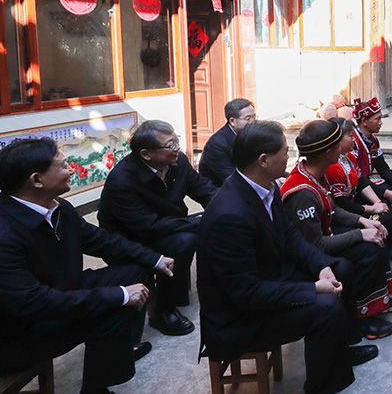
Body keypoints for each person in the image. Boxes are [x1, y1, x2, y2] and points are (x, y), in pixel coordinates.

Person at [197, 120, 378, 394]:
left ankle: (340, 350)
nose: (290, 156)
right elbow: (247, 293)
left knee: (340, 267)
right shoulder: (229, 215)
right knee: (326, 306)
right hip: (240, 317)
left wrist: (322, 267)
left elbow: (291, 237)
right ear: (263, 160)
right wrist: (313, 288)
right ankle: (322, 386)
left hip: (268, 279)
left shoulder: (264, 187)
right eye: (284, 151)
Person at [0, 137, 175, 394]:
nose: (71, 169)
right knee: (114, 309)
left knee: (136, 270)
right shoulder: (5, 232)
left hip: (59, 290)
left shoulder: (58, 207)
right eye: (63, 165)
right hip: (19, 331)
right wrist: (120, 295)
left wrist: (155, 259)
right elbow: (33, 302)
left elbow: (102, 241)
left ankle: (120, 348)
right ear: (37, 180)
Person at [99, 119, 217, 336]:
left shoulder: (178, 161)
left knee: (213, 223)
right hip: (131, 239)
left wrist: (224, 205)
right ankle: (161, 310)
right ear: (146, 154)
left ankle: (191, 286)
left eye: (176, 141)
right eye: (170, 145)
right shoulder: (122, 180)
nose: (177, 148)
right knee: (186, 239)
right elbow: (147, 227)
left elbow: (203, 189)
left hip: (167, 225)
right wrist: (194, 223)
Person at [281, 118, 392, 340]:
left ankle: (374, 304)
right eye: (337, 143)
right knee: (368, 250)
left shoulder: (315, 173)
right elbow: (315, 245)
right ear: (328, 152)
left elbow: (332, 208)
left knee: (375, 234)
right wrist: (360, 233)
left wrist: (363, 221)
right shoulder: (302, 192)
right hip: (308, 257)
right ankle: (361, 316)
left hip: (323, 236)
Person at [326, 118, 392, 257]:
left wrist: (377, 202)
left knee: (388, 206)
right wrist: (371, 209)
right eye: (350, 136)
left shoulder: (349, 157)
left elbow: (361, 182)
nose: (354, 139)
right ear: (338, 140)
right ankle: (388, 247)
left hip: (354, 203)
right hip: (345, 213)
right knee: (384, 219)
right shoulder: (333, 167)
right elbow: (342, 203)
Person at [351, 96, 392, 206]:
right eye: (377, 119)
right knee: (387, 199)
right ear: (364, 121)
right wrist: (386, 193)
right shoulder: (353, 142)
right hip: (358, 189)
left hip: (369, 185)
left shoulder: (374, 141)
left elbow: (383, 169)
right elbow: (359, 179)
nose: (381, 123)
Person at [198, 98, 256, 186]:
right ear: (232, 121)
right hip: (221, 189)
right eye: (248, 118)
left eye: (254, 117)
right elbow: (231, 178)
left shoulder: (250, 134)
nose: (253, 122)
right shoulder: (217, 145)